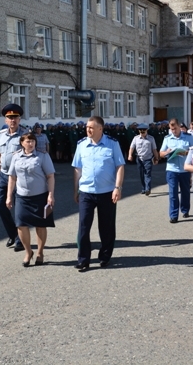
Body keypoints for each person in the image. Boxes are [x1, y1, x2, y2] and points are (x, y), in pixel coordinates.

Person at [72, 116, 125, 272]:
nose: (88, 129)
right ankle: (83, 259)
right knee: (83, 226)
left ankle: (105, 256)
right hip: (86, 192)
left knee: (106, 227)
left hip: (107, 192)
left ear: (100, 129)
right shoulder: (81, 145)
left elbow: (120, 166)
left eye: (91, 127)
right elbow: (77, 169)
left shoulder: (112, 144)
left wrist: (118, 188)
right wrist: (75, 189)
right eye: (87, 127)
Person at [6, 133, 55, 267]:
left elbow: (50, 176)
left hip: (40, 196)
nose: (31, 143)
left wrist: (50, 195)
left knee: (40, 225)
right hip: (22, 197)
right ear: (22, 143)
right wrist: (9, 196)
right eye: (28, 141)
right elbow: (12, 177)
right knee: (21, 225)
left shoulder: (42, 155)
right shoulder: (16, 156)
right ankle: (28, 252)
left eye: (32, 141)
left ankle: (40, 252)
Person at [0, 103, 29, 252]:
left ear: (19, 119)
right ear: (5, 120)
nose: (12, 120)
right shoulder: (1, 135)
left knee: (19, 209)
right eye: (9, 118)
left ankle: (21, 239)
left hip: (19, 177)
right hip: (3, 175)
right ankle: (13, 234)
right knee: (0, 205)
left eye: (15, 117)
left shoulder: (25, 136)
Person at [160, 118, 193, 223]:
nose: (173, 131)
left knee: (185, 192)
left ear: (179, 126)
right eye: (171, 129)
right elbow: (160, 153)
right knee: (173, 193)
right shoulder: (167, 138)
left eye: (175, 128)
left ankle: (185, 210)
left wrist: (186, 153)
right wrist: (166, 152)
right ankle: (173, 215)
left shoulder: (188, 137)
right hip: (172, 170)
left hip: (185, 169)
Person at [128, 123, 159, 196]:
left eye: (144, 132)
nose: (142, 133)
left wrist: (157, 158)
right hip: (139, 159)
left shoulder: (151, 138)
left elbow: (154, 149)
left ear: (146, 131)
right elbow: (132, 147)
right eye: (141, 132)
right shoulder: (136, 138)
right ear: (139, 131)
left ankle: (148, 189)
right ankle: (143, 188)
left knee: (147, 174)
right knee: (141, 174)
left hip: (148, 159)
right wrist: (129, 155)